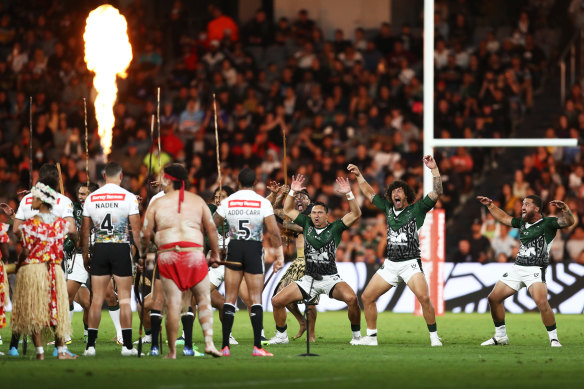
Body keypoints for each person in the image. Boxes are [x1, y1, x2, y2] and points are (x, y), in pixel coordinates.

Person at [348, 155, 443, 347]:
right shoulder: (388, 208)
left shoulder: (417, 209)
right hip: (390, 264)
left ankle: (434, 337)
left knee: (424, 297)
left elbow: (437, 192)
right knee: (367, 297)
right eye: (393, 191)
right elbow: (368, 193)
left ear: (405, 195)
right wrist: (359, 175)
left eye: (399, 191)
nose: (395, 194)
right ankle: (371, 337)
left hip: (410, 263)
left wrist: (434, 170)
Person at [270, 174, 362, 345]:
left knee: (352, 299)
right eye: (313, 213)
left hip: (330, 279)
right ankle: (281, 336)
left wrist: (349, 193)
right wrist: (292, 192)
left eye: (320, 212)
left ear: (327, 215)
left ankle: (357, 336)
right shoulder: (306, 223)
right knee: (276, 301)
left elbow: (356, 213)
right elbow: (288, 211)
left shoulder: (336, 227)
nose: (316, 216)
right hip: (308, 277)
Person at [141, 163, 222, 359]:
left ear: (168, 180)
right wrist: (216, 254)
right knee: (200, 299)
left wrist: (146, 250)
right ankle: (207, 344)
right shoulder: (197, 201)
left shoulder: (157, 202)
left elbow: (145, 232)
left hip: (168, 253)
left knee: (168, 302)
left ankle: (170, 351)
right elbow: (211, 229)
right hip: (194, 253)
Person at [476, 194, 575, 347]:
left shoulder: (548, 223)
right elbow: (504, 218)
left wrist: (566, 209)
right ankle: (501, 336)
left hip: (535, 268)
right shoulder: (521, 222)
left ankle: (554, 338)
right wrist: (490, 206)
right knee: (493, 298)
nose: (523, 206)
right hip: (518, 268)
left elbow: (569, 221)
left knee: (541, 302)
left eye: (527, 204)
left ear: (536, 208)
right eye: (523, 203)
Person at [213, 167, 284, 357]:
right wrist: (279, 255)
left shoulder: (228, 201)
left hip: (234, 247)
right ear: (254, 182)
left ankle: (225, 346)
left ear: (238, 182)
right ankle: (257, 347)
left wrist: (217, 244)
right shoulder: (262, 202)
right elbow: (274, 232)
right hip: (253, 248)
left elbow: (213, 223)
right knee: (255, 299)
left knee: (230, 298)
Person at [9, 163, 76, 356]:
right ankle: (59, 349)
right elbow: (71, 230)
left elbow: (16, 231)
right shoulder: (62, 203)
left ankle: (19, 347)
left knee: (31, 306)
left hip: (32, 265)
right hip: (54, 264)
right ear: (57, 181)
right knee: (57, 305)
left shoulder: (27, 203)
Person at [82, 162, 141, 356]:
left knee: (96, 299)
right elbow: (136, 230)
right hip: (120, 247)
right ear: (121, 176)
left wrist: (85, 254)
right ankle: (128, 347)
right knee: (124, 299)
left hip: (100, 247)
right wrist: (140, 253)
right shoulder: (129, 197)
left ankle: (90, 347)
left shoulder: (92, 197)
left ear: (105, 175)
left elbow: (85, 230)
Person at [269, 183, 318, 342]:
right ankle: (301, 322)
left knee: (310, 302)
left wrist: (286, 222)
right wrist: (280, 196)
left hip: (313, 262)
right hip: (298, 262)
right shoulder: (293, 214)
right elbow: (272, 212)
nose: (298, 200)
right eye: (295, 197)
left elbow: (297, 226)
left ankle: (311, 334)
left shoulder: (314, 212)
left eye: (302, 197)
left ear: (309, 200)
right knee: (282, 297)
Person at [64, 182, 98, 344]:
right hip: (74, 256)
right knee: (66, 295)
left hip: (98, 255)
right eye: (79, 193)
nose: (80, 197)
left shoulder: (100, 210)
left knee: (90, 302)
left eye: (84, 194)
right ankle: (64, 334)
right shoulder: (74, 208)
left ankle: (89, 332)